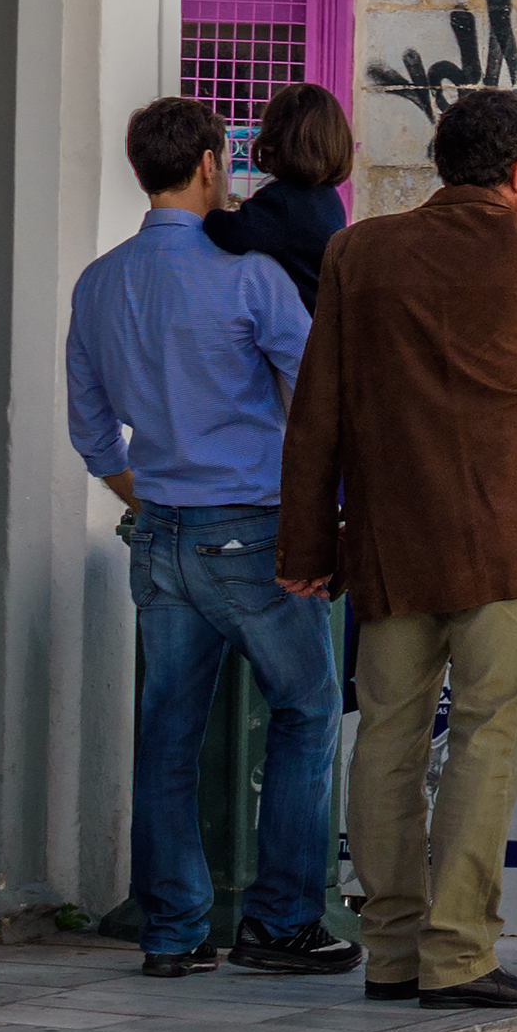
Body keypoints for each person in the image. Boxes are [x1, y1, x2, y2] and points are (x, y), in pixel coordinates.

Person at [276, 89, 517, 1009]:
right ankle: (458, 952)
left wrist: (306, 540)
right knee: (486, 739)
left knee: (387, 740)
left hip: (395, 542)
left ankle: (392, 950)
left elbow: (315, 407)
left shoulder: (359, 249)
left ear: (441, 162)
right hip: (514, 548)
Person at [66, 96, 357, 984]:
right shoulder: (251, 275)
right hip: (251, 527)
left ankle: (175, 928)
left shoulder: (98, 281)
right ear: (203, 163)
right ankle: (281, 921)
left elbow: (91, 435)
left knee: (166, 735)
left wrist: (156, 494)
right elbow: (321, 392)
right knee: (307, 711)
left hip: (158, 530)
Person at [204, 82, 353, 306]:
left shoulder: (282, 202)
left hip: (300, 322)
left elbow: (230, 232)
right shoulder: (327, 199)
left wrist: (209, 211)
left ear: (275, 140)